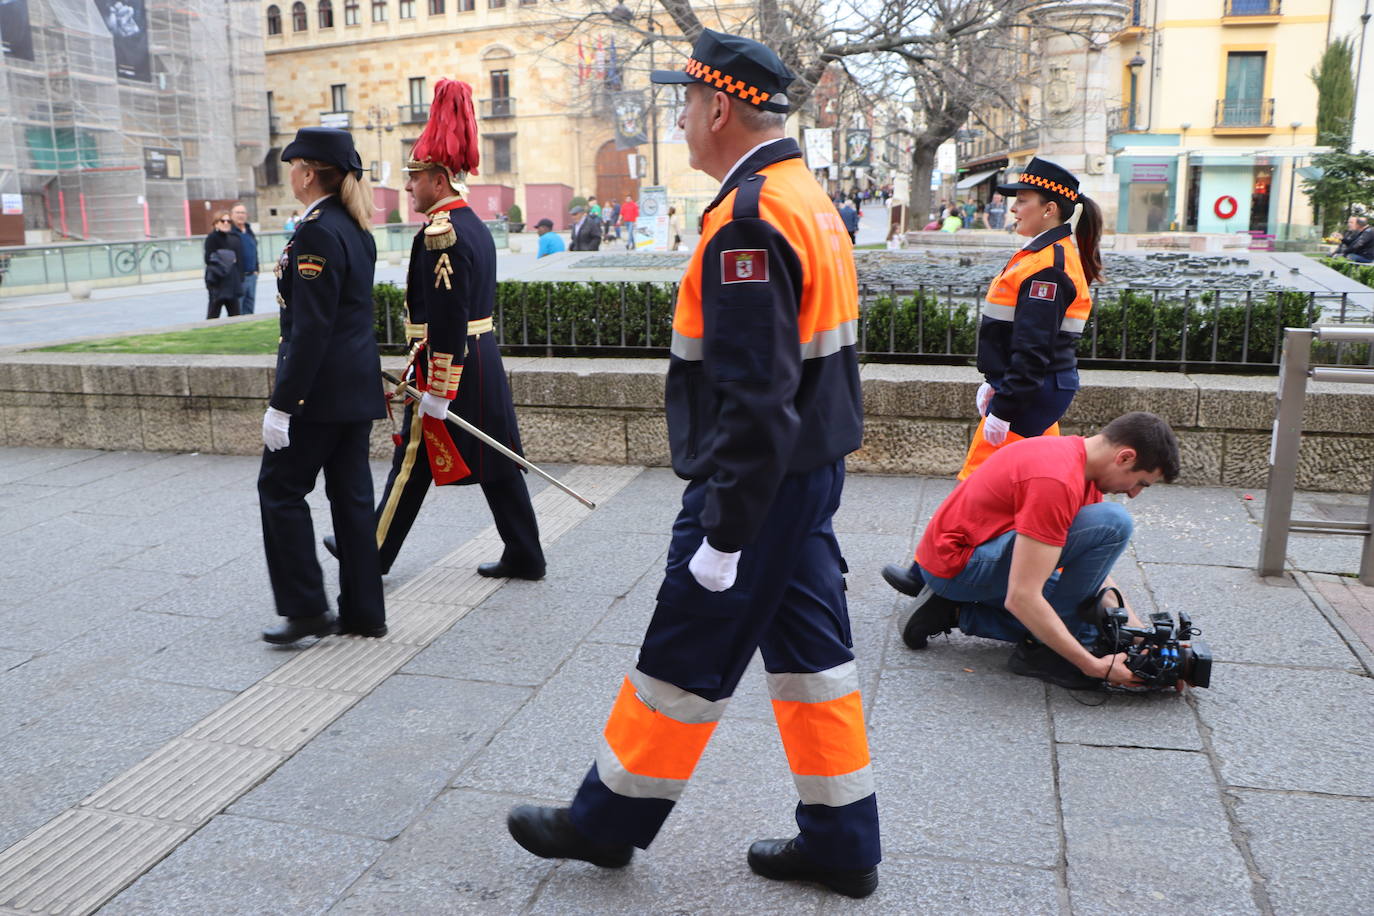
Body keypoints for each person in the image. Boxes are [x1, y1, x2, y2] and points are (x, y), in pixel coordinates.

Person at [506, 28, 880, 899]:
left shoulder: (751, 216)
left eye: (683, 104)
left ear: (719, 106)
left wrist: (724, 530)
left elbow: (754, 395)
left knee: (685, 648)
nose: (677, 122)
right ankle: (842, 837)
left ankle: (605, 824)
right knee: (815, 661)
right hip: (807, 473)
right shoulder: (805, 197)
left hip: (761, 483)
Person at [323, 79, 545, 582]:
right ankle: (525, 552)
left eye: (414, 177)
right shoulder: (474, 224)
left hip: (450, 361)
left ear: (439, 180)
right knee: (496, 458)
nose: (407, 187)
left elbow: (446, 315)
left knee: (413, 456)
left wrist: (438, 388)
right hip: (480, 357)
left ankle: (372, 551)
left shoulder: (440, 233)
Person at [881, 411, 1181, 691]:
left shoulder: (1079, 462)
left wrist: (1141, 635)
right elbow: (1021, 597)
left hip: (963, 558)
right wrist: (1091, 666)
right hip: (957, 568)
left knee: (1093, 623)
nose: (1133, 493)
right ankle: (1042, 654)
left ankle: (950, 612)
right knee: (1114, 525)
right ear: (1125, 457)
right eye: (1140, 482)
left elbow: (1097, 574)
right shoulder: (1056, 480)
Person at [257, 127, 387, 645]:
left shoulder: (316, 231)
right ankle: (363, 610)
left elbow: (311, 329)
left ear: (308, 173)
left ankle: (306, 607)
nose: (291, 174)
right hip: (354, 390)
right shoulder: (355, 227)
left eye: (294, 167)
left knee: (280, 490)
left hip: (319, 395)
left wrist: (283, 406)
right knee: (352, 500)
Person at [956, 157, 1105, 480]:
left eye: (1022, 201)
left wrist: (1004, 408)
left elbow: (1032, 349)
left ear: (1049, 209)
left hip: (1030, 392)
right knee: (1038, 481)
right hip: (1034, 389)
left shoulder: (1047, 266)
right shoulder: (1044, 256)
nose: (1014, 208)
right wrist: (994, 383)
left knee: (978, 488)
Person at [203, 211, 240, 320]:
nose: (226, 223)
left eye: (228, 221)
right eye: (222, 220)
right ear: (216, 223)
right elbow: (209, 259)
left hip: (231, 281)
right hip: (217, 282)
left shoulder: (232, 237)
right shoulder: (212, 237)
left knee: (235, 314)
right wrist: (228, 258)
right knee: (213, 314)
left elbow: (237, 259)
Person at [230, 203, 259, 315]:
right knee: (238, 308)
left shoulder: (249, 231)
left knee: (249, 307)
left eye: (243, 213)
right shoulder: (230, 233)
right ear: (232, 215)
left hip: (252, 276)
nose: (240, 215)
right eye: (237, 212)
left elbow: (255, 252)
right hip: (238, 278)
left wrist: (256, 270)